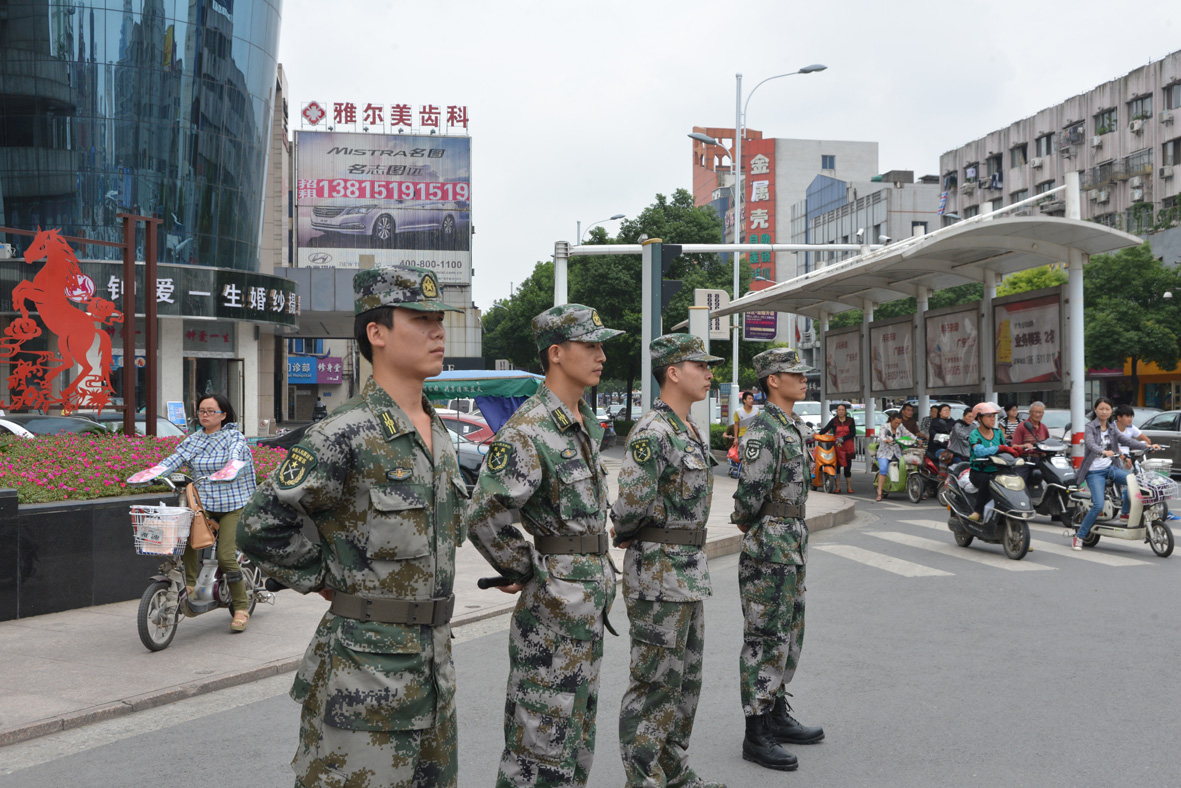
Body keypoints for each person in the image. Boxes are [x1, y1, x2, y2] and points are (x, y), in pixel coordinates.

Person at [237, 267, 467, 787]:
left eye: (439, 320)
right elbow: (259, 525)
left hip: (433, 673)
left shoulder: (438, 434)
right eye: (421, 319)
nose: (437, 331)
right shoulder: (344, 433)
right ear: (377, 333)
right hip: (363, 678)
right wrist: (322, 575)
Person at [465, 303, 624, 788]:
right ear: (556, 353)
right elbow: (485, 515)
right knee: (539, 745)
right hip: (555, 614)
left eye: (601, 345)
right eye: (589, 345)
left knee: (574, 738)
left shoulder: (582, 424)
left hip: (587, 610)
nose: (600, 355)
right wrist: (530, 571)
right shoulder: (531, 429)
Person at [610, 334, 725, 788]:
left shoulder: (687, 427)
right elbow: (632, 503)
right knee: (654, 684)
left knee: (685, 682)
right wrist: (625, 531)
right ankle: (643, 780)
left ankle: (673, 771)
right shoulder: (653, 432)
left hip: (686, 572)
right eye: (701, 365)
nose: (709, 373)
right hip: (659, 574)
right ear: (673, 372)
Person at [731, 347, 824, 773]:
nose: (803, 379)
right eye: (795, 374)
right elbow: (748, 497)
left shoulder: (793, 426)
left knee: (789, 633)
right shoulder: (763, 430)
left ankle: (776, 711)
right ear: (773, 380)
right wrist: (749, 523)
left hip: (793, 542)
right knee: (765, 636)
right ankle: (756, 731)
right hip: (769, 545)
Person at [128, 393, 257, 632]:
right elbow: (175, 459)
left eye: (211, 411)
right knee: (184, 539)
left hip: (234, 504)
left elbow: (237, 459)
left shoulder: (234, 437)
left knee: (227, 557)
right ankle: (188, 586)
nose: (205, 415)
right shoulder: (194, 439)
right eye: (201, 411)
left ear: (223, 415)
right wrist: (152, 472)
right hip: (203, 504)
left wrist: (230, 470)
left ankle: (240, 607)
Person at [1074, 398, 1155, 550]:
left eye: (1107, 409)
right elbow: (1090, 444)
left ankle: (1126, 514)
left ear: (1111, 411)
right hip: (1094, 472)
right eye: (1101, 409)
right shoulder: (1090, 427)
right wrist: (1103, 451)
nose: (1104, 412)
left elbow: (1127, 440)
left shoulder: (1112, 428)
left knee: (1136, 484)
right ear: (1096, 410)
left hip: (1111, 468)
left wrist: (1148, 446)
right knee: (1097, 505)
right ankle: (1079, 536)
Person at [966, 403, 1013, 521]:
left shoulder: (998, 433)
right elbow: (979, 451)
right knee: (987, 481)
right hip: (979, 472)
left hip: (997, 471)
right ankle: (978, 511)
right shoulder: (974, 434)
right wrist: (999, 448)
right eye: (989, 416)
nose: (993, 419)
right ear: (979, 418)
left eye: (994, 416)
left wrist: (1016, 451)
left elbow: (1005, 448)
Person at [874, 412, 914, 502]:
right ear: (891, 419)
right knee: (883, 470)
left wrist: (916, 439)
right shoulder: (884, 426)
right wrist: (886, 440)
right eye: (896, 423)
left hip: (897, 453)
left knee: (908, 466)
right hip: (884, 453)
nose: (897, 425)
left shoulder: (901, 427)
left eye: (899, 423)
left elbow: (908, 434)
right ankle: (879, 493)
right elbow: (881, 436)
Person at [818, 403, 857, 493]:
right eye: (839, 410)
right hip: (837, 448)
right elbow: (825, 429)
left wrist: (843, 438)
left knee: (848, 469)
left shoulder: (851, 420)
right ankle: (837, 487)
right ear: (837, 411)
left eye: (842, 410)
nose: (841, 411)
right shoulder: (834, 421)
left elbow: (853, 433)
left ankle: (849, 487)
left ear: (845, 411)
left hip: (848, 447)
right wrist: (817, 434)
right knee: (837, 468)